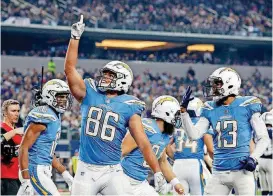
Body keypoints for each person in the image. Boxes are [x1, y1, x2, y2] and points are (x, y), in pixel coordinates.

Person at [65, 15, 166, 195]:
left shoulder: (129, 105)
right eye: (106, 74)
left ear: (122, 81)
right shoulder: (90, 92)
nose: (105, 78)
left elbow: (143, 142)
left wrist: (157, 171)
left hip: (112, 171)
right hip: (85, 170)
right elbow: (70, 70)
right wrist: (74, 38)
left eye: (111, 76)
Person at [179, 67, 270, 195]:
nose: (214, 88)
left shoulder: (247, 105)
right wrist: (184, 113)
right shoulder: (209, 108)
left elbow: (263, 138)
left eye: (217, 83)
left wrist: (253, 158)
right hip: (218, 172)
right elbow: (194, 134)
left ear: (230, 84)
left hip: (242, 171)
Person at [18, 79, 74, 195]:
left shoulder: (54, 115)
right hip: (35, 169)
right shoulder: (44, 115)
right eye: (60, 97)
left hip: (41, 168)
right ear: (49, 96)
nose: (64, 100)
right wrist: (26, 179)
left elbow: (48, 152)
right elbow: (23, 147)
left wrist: (65, 173)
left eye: (65, 97)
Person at [121, 95, 184, 195]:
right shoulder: (144, 127)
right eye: (176, 114)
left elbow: (162, 162)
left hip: (140, 183)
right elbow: (121, 151)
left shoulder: (166, 135)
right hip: (124, 179)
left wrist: (175, 183)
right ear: (166, 113)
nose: (178, 118)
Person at [167, 97, 213, 195]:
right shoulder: (202, 123)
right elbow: (210, 148)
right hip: (195, 164)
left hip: (178, 165)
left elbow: (166, 145)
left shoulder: (177, 124)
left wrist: (175, 157)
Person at [1, 99, 22, 195]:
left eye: (18, 111)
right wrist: (14, 132)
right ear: (5, 113)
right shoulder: (2, 128)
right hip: (4, 178)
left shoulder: (19, 131)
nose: (17, 114)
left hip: (19, 177)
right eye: (13, 111)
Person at [258, 112, 272, 195]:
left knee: (263, 184)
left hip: (260, 159)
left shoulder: (258, 131)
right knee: (271, 186)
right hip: (270, 160)